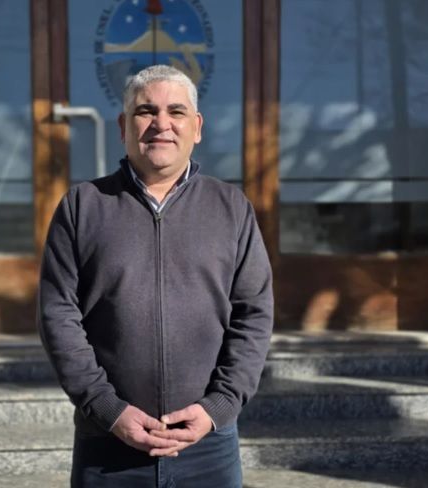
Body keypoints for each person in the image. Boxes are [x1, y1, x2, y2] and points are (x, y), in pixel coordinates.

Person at [38, 65, 274, 487]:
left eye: (176, 111)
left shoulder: (231, 208)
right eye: (146, 111)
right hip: (107, 444)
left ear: (196, 127)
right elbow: (58, 316)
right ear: (123, 127)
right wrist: (108, 409)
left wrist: (218, 407)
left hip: (208, 445)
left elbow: (253, 315)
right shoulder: (82, 206)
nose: (161, 123)